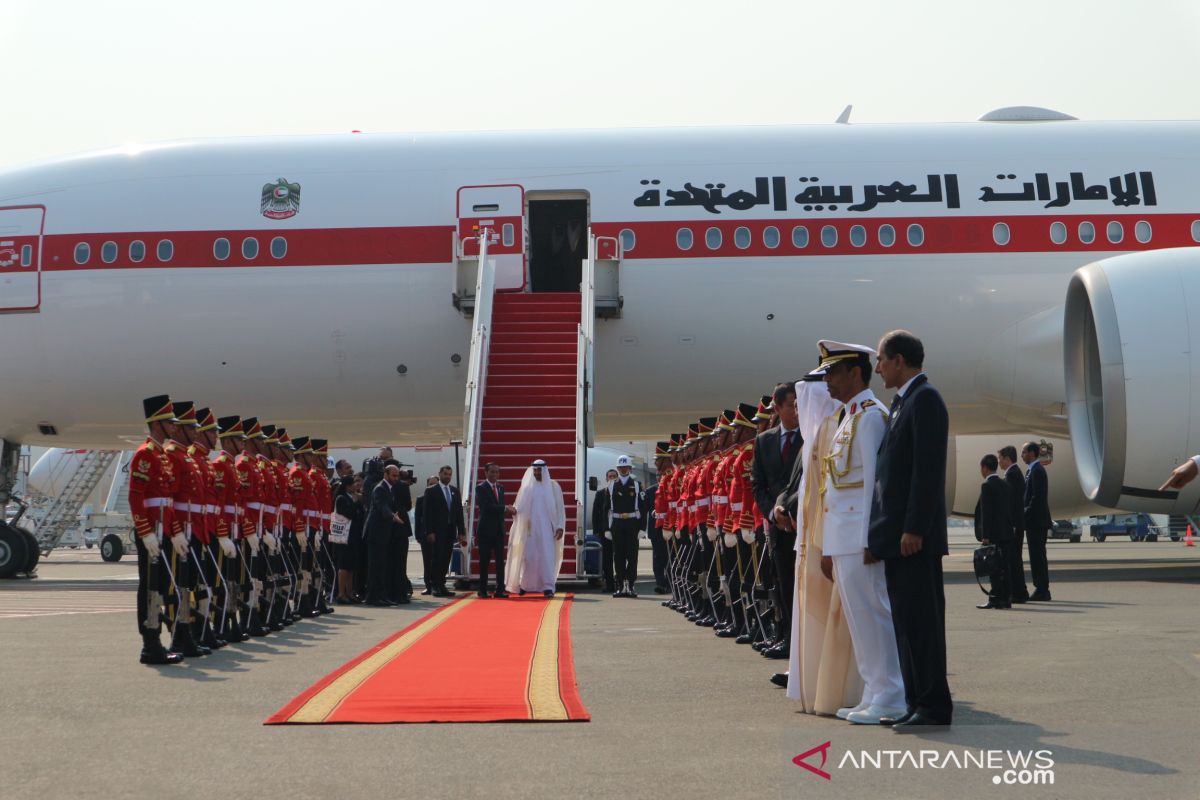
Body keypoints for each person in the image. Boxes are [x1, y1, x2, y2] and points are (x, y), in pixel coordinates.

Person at [812, 341, 906, 725]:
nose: (828, 382)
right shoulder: (848, 417)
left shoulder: (869, 416)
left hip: (860, 537)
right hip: (844, 536)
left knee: (874, 615)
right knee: (858, 619)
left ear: (855, 373)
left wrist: (872, 537)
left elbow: (873, 484)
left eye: (833, 373)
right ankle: (874, 690)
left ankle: (892, 694)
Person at [868, 330, 953, 731]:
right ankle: (916, 702)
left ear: (899, 360)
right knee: (906, 624)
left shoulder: (926, 400)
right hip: (898, 539)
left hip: (914, 539)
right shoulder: (904, 402)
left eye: (881, 359)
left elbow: (927, 471)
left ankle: (934, 706)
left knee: (922, 625)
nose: (878, 367)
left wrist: (915, 527)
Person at [129, 395, 185, 665]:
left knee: (160, 585)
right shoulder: (145, 454)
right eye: (169, 423)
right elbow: (135, 496)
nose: (174, 428)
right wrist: (145, 531)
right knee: (150, 586)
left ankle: (157, 640)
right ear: (156, 423)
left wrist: (175, 532)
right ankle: (150, 644)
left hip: (163, 528)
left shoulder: (161, 455)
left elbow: (167, 501)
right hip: (151, 530)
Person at [751, 382, 801, 660]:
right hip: (778, 527)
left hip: (802, 523)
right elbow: (757, 485)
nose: (797, 410)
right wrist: (773, 513)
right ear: (778, 407)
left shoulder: (810, 436)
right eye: (792, 404)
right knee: (782, 587)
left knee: (803, 591)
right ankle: (786, 640)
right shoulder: (764, 440)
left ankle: (797, 648)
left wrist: (790, 510)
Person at [506, 460, 566, 597]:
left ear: (544, 471)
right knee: (528, 557)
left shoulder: (553, 487)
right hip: (529, 529)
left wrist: (560, 527)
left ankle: (548, 587)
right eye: (535, 470)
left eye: (539, 470)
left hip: (547, 531)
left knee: (546, 557)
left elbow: (560, 509)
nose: (537, 473)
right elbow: (518, 507)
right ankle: (526, 585)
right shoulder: (526, 487)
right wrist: (513, 510)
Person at [974, 454, 1013, 609]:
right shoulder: (1005, 484)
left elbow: (986, 514)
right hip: (1007, 532)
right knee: (1005, 567)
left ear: (984, 468)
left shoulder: (986, 486)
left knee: (993, 568)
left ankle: (995, 598)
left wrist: (986, 536)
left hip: (994, 535)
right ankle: (1006, 598)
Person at [422, 465, 465, 598]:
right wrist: (429, 531)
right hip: (437, 531)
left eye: (449, 474)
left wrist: (461, 531)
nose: (447, 476)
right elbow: (427, 514)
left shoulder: (454, 491)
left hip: (450, 530)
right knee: (436, 558)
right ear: (440, 474)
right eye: (445, 474)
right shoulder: (431, 491)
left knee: (446, 558)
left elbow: (459, 513)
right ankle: (434, 585)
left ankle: (442, 584)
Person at [607, 455, 646, 598]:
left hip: (631, 523)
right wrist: (607, 529)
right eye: (620, 467)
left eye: (625, 467)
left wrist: (642, 528)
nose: (623, 469)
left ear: (629, 468)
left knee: (632, 555)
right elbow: (607, 508)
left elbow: (642, 508)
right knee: (618, 556)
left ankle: (630, 584)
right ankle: (619, 586)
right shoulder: (611, 485)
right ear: (617, 469)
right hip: (617, 524)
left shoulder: (637, 485)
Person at [364, 465, 403, 606]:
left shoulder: (388, 488)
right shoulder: (380, 488)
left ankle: (380, 595)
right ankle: (373, 597)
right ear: (385, 474)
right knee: (376, 566)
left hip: (382, 533)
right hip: (376, 533)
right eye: (394, 475)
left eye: (397, 476)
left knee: (381, 565)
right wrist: (392, 516)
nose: (396, 478)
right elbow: (382, 507)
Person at [475, 462, 514, 598]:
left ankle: (499, 590)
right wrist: (505, 508)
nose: (495, 474)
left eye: (497, 472)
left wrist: (507, 510)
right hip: (485, 530)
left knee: (499, 561)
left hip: (498, 530)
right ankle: (483, 590)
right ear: (486, 473)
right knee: (484, 561)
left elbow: (499, 508)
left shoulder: (500, 487)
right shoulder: (481, 488)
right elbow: (486, 507)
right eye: (492, 472)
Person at [998, 445, 1030, 603]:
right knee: (1015, 559)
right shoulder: (1014, 473)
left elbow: (1010, 503)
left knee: (1013, 560)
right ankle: (1020, 591)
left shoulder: (1011, 475)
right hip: (1017, 524)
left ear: (1007, 458)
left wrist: (1010, 524)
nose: (999, 462)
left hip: (1013, 525)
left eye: (1000, 459)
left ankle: (1017, 593)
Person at [1021, 442, 1053, 602]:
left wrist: (1024, 513)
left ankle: (1042, 589)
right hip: (1034, 521)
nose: (1022, 455)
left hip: (1036, 521)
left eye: (1024, 452)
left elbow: (1037, 498)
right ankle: (1040, 588)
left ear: (1032, 453)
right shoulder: (1032, 470)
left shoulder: (1038, 471)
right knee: (1036, 556)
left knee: (1038, 556)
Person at [333, 473, 364, 604]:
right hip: (344, 537)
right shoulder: (341, 498)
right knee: (344, 566)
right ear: (347, 486)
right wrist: (356, 503)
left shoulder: (351, 497)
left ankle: (350, 592)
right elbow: (349, 514)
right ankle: (341, 593)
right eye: (352, 484)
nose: (355, 487)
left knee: (352, 566)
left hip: (353, 537)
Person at [592, 468, 618, 593]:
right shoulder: (600, 493)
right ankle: (609, 584)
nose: (612, 478)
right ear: (606, 479)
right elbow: (595, 513)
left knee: (619, 558)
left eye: (614, 476)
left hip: (619, 531)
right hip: (605, 532)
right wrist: (597, 530)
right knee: (607, 559)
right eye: (610, 476)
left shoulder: (621, 492)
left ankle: (620, 582)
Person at [414, 475, 438, 594]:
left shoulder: (443, 497)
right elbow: (418, 518)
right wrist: (417, 535)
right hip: (425, 534)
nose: (432, 486)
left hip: (440, 534)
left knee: (438, 560)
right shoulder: (421, 498)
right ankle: (428, 585)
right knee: (427, 560)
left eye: (435, 484)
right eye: (430, 484)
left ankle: (438, 584)